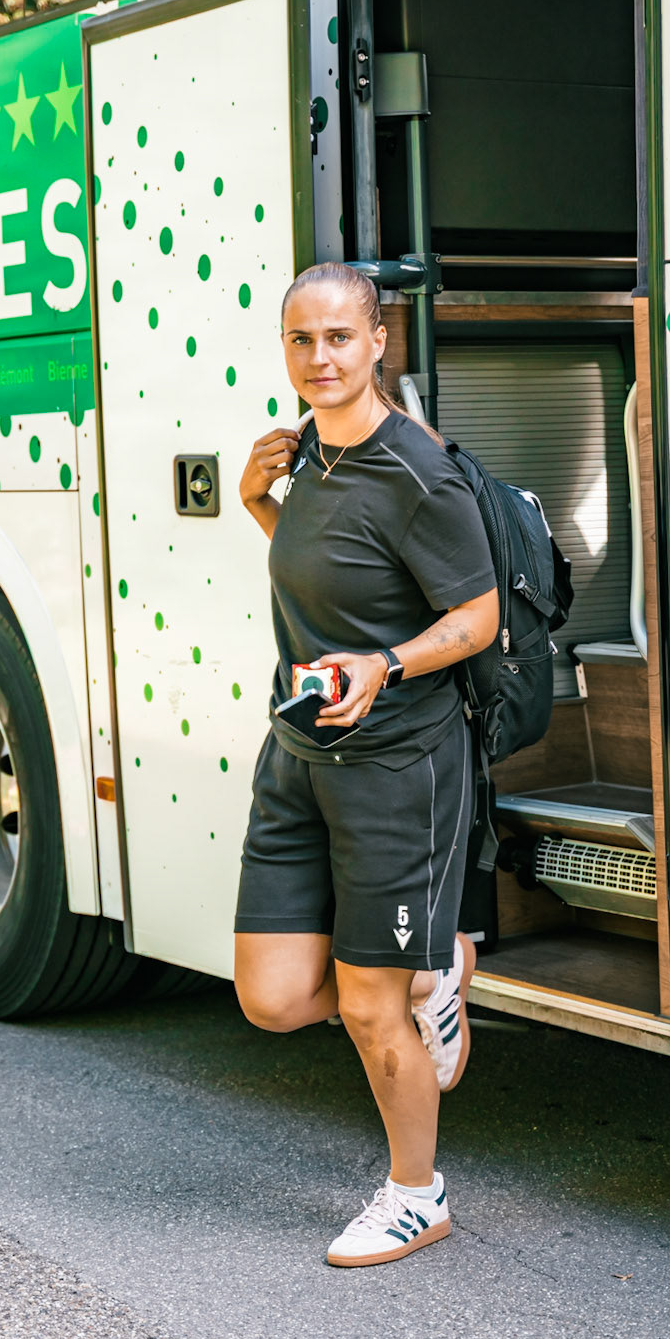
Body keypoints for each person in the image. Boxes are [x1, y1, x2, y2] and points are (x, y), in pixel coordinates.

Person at [234, 261, 498, 1267]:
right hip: (297, 749)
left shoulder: (417, 470)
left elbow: (478, 618)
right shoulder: (305, 455)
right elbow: (331, 566)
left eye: (339, 337)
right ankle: (445, 961)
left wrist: (383, 665)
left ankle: (415, 1191)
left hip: (396, 764)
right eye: (301, 340)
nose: (319, 358)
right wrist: (263, 499)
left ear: (378, 340)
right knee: (271, 994)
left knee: (363, 1000)